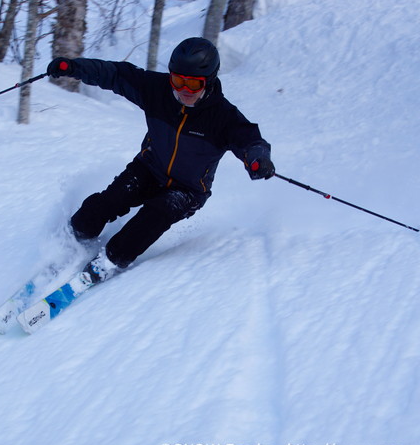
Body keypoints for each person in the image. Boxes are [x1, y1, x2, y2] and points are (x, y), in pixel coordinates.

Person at [47, 37, 275, 285]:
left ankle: (108, 262)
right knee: (107, 202)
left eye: (193, 84)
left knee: (152, 219)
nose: (184, 90)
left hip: (187, 189)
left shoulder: (223, 117)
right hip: (148, 168)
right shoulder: (157, 91)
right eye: (178, 80)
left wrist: (257, 158)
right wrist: (74, 67)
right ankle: (73, 239)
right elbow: (114, 74)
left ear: (208, 81)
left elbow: (250, 139)